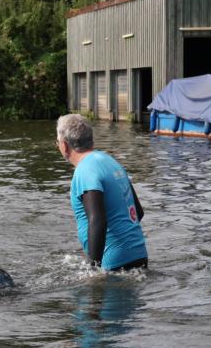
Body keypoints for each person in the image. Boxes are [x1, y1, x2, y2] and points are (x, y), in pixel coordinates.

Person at [56, 114, 148, 271]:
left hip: (114, 264)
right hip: (139, 255)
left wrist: (93, 270)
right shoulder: (111, 162)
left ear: (64, 145)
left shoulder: (85, 170)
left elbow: (97, 220)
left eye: (57, 142)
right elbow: (138, 212)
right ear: (91, 140)